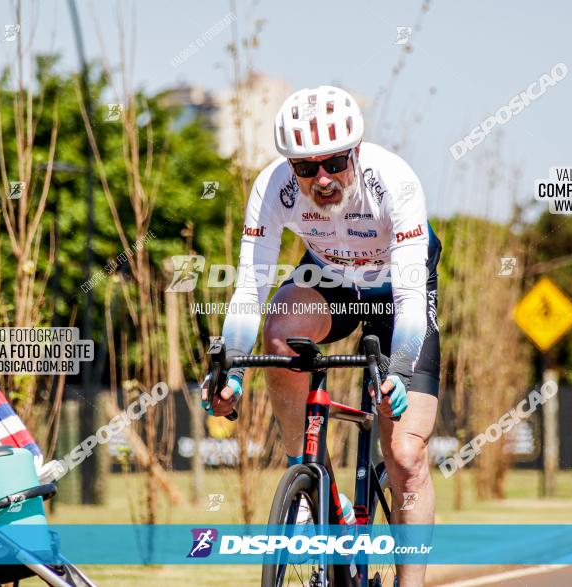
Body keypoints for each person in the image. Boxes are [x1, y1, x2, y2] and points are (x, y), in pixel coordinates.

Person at [202, 85, 441, 586]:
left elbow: (412, 301)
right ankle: (310, 484)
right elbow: (250, 286)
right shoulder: (273, 188)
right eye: (307, 168)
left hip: (399, 291)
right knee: (280, 333)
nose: (323, 178)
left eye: (334, 162)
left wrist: (397, 370)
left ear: (355, 151)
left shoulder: (393, 181)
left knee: (405, 456)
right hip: (328, 280)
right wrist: (232, 371)